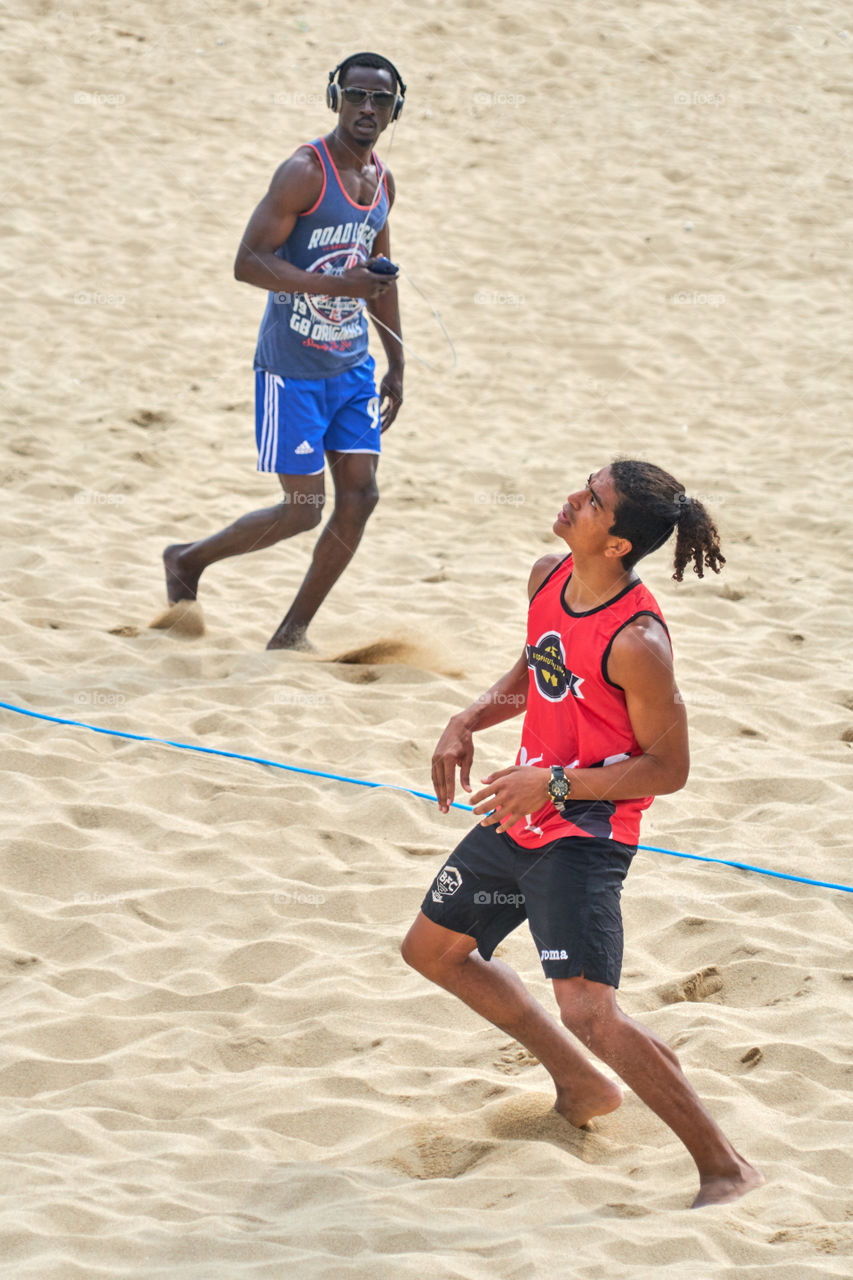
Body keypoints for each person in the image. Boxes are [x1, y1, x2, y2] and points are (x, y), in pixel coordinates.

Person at [402, 460, 764, 1208]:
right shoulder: (547, 576)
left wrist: (557, 782)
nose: (572, 500)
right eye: (584, 486)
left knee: (589, 1010)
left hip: (586, 829)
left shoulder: (638, 643)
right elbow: (538, 668)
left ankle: (725, 1166)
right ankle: (582, 1081)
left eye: (591, 501)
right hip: (522, 805)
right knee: (432, 951)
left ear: (617, 544)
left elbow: (667, 767)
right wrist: (467, 717)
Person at [160, 52, 405, 649]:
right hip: (291, 369)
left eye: (379, 99)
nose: (366, 108)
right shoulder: (304, 172)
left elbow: (380, 276)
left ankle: (291, 634)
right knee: (301, 509)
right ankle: (187, 561)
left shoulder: (381, 183)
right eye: (355, 95)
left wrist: (397, 360)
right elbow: (247, 263)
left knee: (361, 497)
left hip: (350, 365)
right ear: (335, 99)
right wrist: (333, 286)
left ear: (396, 108)